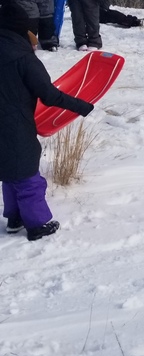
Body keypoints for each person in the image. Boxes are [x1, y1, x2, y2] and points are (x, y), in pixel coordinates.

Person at [0, 13, 94, 240]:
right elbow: (49, 95)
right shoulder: (24, 58)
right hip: (14, 122)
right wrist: (81, 105)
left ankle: (14, 218)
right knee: (26, 172)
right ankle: (37, 224)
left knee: (9, 169)